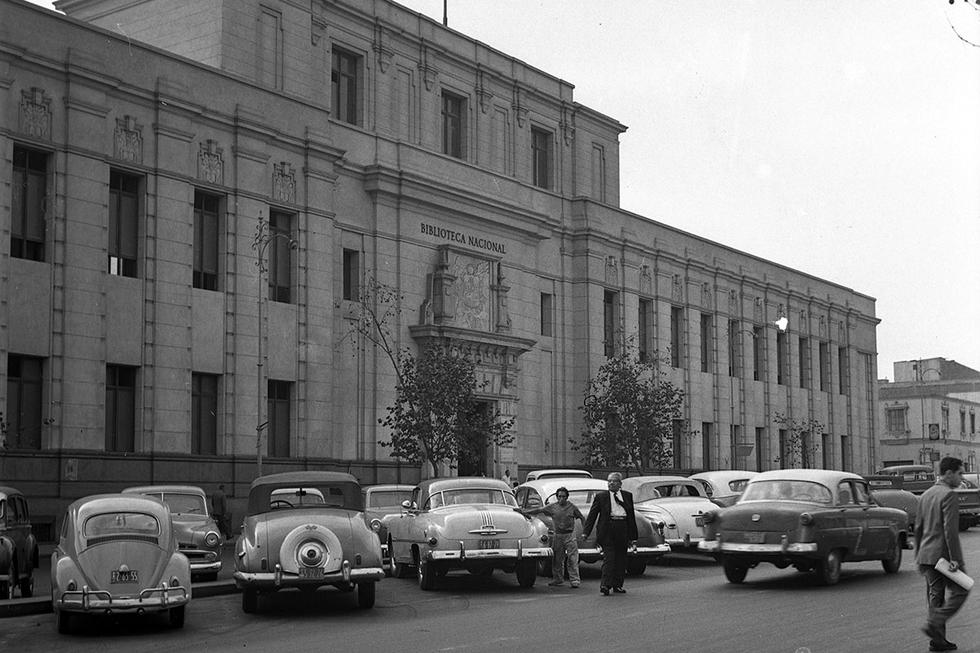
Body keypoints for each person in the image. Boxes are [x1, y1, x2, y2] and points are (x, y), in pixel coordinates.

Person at [915, 456, 970, 652]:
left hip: (926, 555)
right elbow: (950, 531)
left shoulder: (926, 494)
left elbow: (918, 528)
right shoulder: (949, 495)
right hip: (942, 557)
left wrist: (918, 557)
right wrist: (956, 560)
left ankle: (937, 641)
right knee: (963, 589)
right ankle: (935, 623)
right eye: (960, 473)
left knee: (935, 596)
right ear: (948, 474)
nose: (961, 478)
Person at [581, 471, 637, 595]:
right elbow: (592, 515)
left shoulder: (627, 496)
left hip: (622, 528)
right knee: (609, 558)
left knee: (621, 559)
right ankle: (605, 585)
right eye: (609, 481)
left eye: (614, 481)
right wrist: (586, 532)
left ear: (620, 484)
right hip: (607, 529)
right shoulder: (601, 497)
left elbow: (631, 516)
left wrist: (633, 537)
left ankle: (617, 585)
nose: (611, 483)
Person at [522, 486, 585, 588]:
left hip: (569, 534)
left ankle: (575, 580)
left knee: (572, 558)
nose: (561, 499)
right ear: (557, 497)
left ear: (567, 497)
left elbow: (581, 517)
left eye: (563, 496)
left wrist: (585, 532)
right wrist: (524, 512)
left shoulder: (572, 507)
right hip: (558, 535)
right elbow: (539, 510)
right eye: (559, 496)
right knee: (557, 558)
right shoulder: (552, 507)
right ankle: (558, 579)